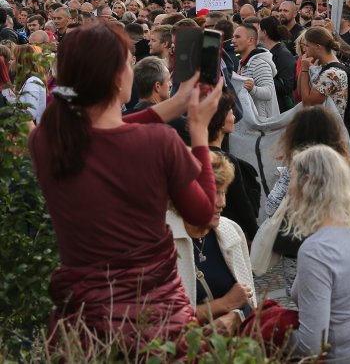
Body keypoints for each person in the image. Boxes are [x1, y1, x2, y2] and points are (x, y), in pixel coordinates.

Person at [30, 20, 223, 345]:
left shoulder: (46, 140)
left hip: (83, 324)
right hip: (154, 322)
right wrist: (200, 132)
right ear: (118, 77)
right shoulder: (160, 143)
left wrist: (174, 105)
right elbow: (203, 214)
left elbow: (106, 135)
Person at [283, 145, 350, 363]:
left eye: (291, 179)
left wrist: (269, 336)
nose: (288, 189)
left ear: (307, 183)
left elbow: (312, 345)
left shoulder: (316, 250)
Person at [167, 152, 256, 334]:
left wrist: (236, 316)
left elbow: (250, 303)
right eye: (213, 193)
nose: (222, 203)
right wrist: (223, 304)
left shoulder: (231, 231)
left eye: (223, 192)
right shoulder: (160, 242)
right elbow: (159, 319)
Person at [206, 91, 260, 241]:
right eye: (231, 113)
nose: (234, 117)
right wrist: (255, 236)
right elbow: (243, 204)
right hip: (228, 234)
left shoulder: (194, 155)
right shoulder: (226, 160)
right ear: (221, 120)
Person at [296, 26, 350, 117]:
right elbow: (300, 92)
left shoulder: (331, 74)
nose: (304, 50)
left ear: (318, 47)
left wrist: (305, 70)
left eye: (307, 46)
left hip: (328, 124)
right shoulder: (323, 66)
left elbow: (308, 105)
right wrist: (304, 68)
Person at [233, 22, 278, 120]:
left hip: (263, 123)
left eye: (237, 37)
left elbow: (268, 92)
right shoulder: (243, 62)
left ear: (250, 40)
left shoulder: (259, 64)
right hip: (252, 122)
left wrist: (253, 89)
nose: (233, 40)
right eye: (233, 37)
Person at [258, 16, 297, 113]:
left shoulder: (283, 54)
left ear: (264, 32)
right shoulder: (266, 51)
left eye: (259, 29)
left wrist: (263, 75)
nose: (257, 32)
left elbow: (287, 87)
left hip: (281, 109)